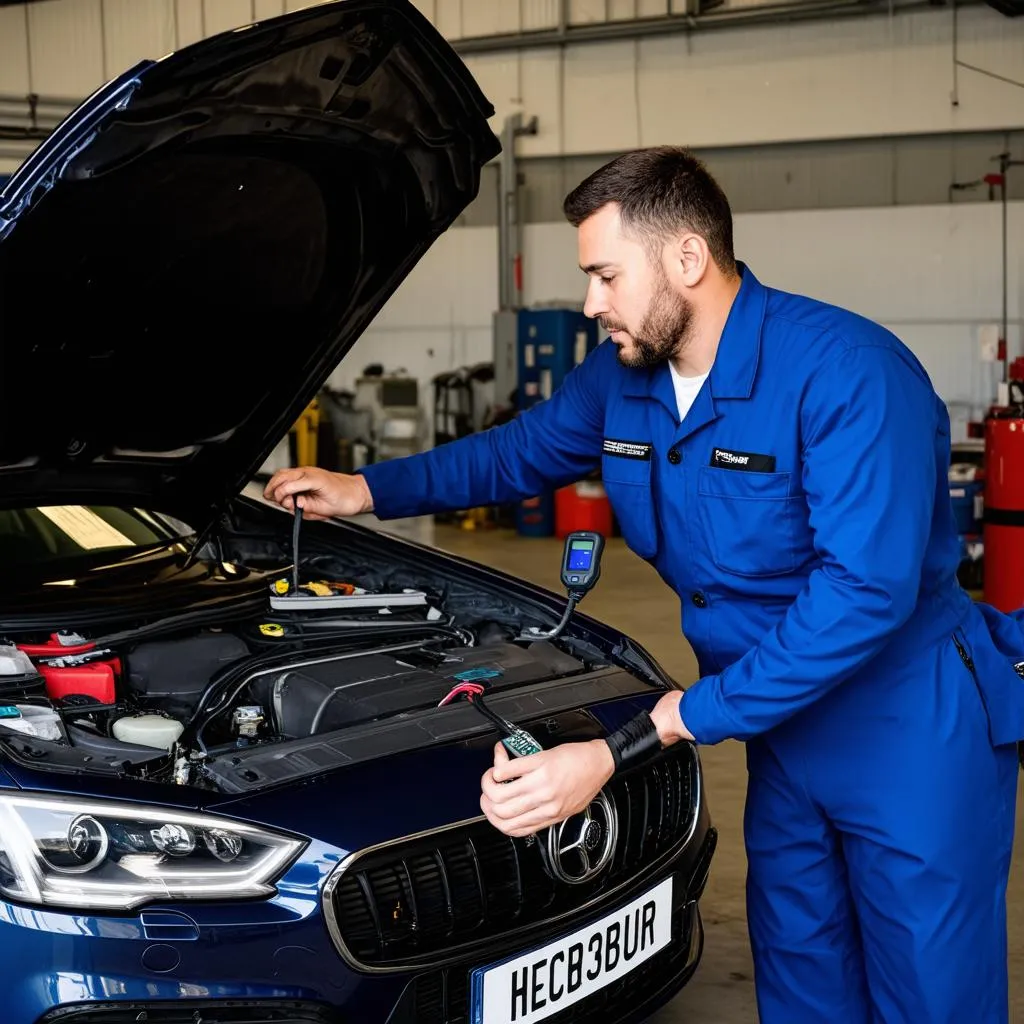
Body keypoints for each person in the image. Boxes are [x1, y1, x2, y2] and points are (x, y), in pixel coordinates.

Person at [264, 147, 1024, 1023]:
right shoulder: (624, 379)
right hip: (778, 727)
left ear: (687, 260)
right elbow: (517, 453)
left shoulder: (850, 372)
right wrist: (366, 491)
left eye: (605, 275)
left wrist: (664, 724)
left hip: (908, 729)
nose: (591, 303)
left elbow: (863, 595)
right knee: (805, 978)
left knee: (931, 994)